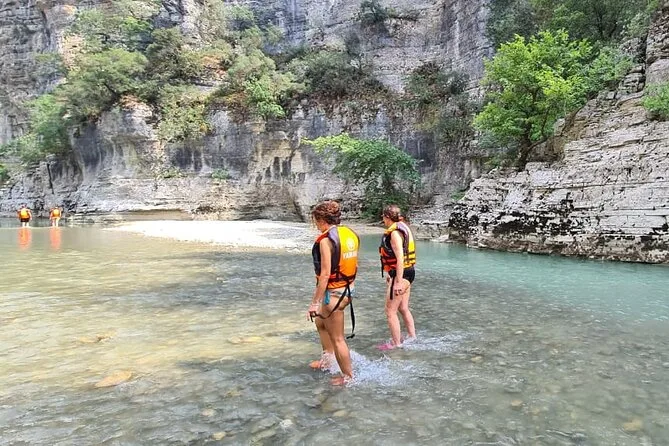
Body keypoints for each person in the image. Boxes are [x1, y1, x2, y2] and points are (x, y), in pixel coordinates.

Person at [307, 200, 359, 386]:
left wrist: (315, 303)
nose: (316, 225)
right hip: (347, 289)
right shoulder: (350, 234)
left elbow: (325, 275)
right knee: (321, 322)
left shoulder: (326, 241)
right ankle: (328, 360)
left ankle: (348, 377)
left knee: (338, 338)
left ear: (322, 220)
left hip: (335, 293)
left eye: (316, 221)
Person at [378, 204, 417, 350]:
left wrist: (398, 281)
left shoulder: (394, 233)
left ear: (387, 217)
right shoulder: (403, 226)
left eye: (383, 217)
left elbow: (400, 258)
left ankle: (396, 344)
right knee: (403, 308)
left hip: (402, 274)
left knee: (390, 311)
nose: (383, 220)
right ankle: (412, 337)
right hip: (409, 271)